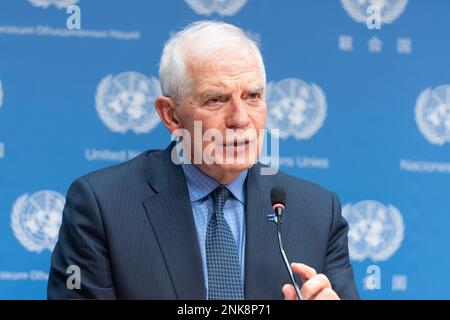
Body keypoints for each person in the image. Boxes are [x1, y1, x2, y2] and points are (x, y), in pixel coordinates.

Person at [47, 21, 359, 300]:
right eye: (216, 100)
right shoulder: (103, 206)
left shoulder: (318, 211)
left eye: (253, 96)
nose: (240, 119)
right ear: (170, 115)